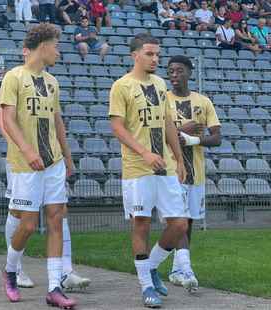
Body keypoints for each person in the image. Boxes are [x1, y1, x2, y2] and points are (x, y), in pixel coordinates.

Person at [0, 23, 77, 308]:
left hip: (53, 161)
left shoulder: (53, 82)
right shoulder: (14, 77)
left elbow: (58, 124)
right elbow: (8, 119)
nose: (58, 51)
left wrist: (67, 158)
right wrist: (28, 149)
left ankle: (54, 287)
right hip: (25, 163)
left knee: (57, 218)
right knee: (28, 224)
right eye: (56, 45)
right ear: (43, 45)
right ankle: (9, 270)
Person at [108, 33, 189, 308]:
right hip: (137, 168)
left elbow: (167, 123)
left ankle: (152, 266)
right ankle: (145, 287)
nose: (155, 59)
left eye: (157, 55)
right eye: (150, 54)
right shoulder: (121, 86)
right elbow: (117, 127)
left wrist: (179, 159)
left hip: (164, 166)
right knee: (141, 224)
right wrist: (144, 152)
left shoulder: (160, 83)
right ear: (135, 55)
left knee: (178, 224)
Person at [166, 55, 222, 293]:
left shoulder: (203, 101)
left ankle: (177, 270)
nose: (174, 75)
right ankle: (186, 269)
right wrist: (181, 130)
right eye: (170, 71)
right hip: (170, 172)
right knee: (178, 221)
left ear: (189, 72)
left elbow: (217, 138)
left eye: (179, 71)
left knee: (186, 222)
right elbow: (155, 136)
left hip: (195, 173)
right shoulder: (162, 100)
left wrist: (191, 139)